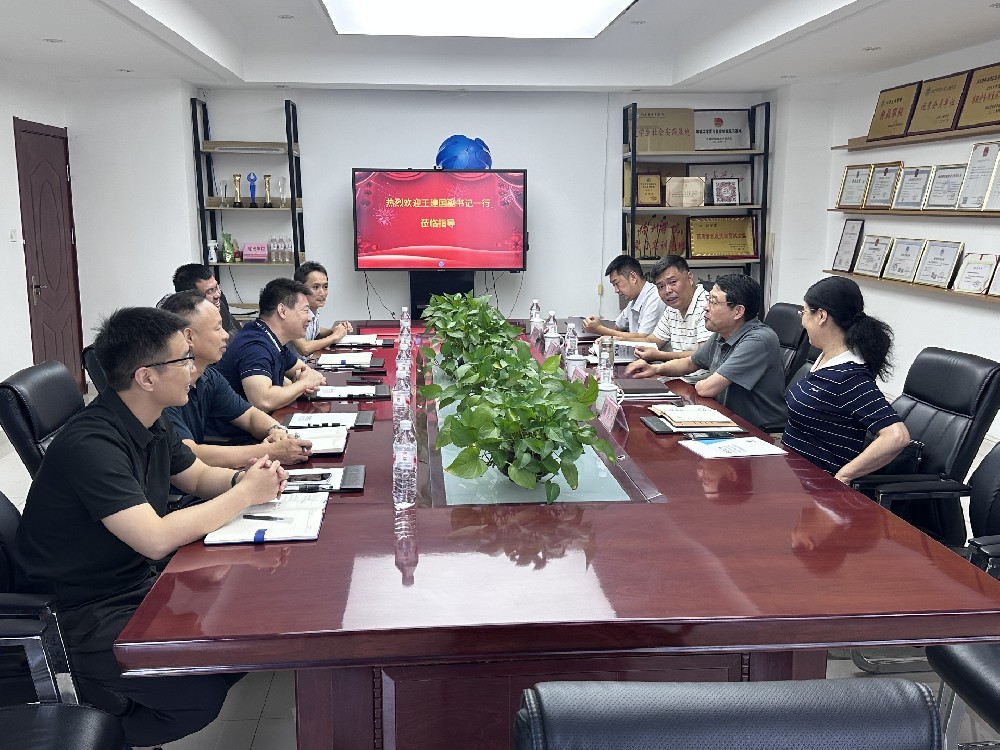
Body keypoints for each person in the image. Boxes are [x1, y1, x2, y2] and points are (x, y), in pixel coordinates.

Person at [12, 307, 287, 747]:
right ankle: (103, 735)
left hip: (132, 581)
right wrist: (244, 495)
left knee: (240, 642)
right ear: (146, 377)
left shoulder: (150, 419)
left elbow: (197, 476)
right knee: (200, 697)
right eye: (184, 360)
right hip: (82, 610)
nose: (194, 369)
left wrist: (246, 480)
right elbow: (155, 538)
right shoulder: (92, 443)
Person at [159, 290, 313, 466]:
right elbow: (186, 453)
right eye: (217, 328)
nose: (226, 335)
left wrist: (275, 430)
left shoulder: (209, 376)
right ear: (189, 337)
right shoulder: (164, 389)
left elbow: (249, 415)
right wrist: (269, 451)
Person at [781, 276, 909, 483]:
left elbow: (897, 436)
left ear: (821, 316)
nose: (802, 321)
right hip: (792, 473)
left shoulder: (849, 377)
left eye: (804, 313)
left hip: (815, 486)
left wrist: (844, 476)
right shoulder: (825, 359)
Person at [625, 274, 787, 431]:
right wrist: (655, 369)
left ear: (738, 312)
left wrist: (697, 384)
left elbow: (706, 389)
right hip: (728, 419)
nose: (706, 307)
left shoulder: (758, 340)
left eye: (713, 302)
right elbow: (690, 362)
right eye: (708, 300)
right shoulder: (723, 333)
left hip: (761, 432)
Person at [209, 278, 326, 440]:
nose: (310, 318)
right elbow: (263, 401)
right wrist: (302, 384)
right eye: (305, 311)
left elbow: (310, 374)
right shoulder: (254, 345)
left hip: (269, 429)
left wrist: (300, 383)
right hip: (236, 441)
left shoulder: (271, 339)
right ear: (282, 311)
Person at [632, 255, 711, 381]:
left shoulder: (707, 306)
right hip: (678, 379)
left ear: (690, 278)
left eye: (673, 282)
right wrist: (618, 343)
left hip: (700, 384)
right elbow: (653, 340)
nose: (667, 290)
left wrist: (660, 355)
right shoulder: (672, 308)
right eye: (661, 286)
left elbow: (703, 355)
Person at [582, 255, 665, 339]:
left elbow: (643, 338)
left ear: (633, 277)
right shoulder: (633, 302)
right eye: (614, 285)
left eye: (617, 283)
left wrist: (600, 329)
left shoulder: (655, 297)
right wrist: (596, 325)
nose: (616, 290)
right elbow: (617, 327)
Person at [289, 261, 354, 358]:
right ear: (300, 289)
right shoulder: (292, 313)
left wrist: (333, 330)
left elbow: (315, 332)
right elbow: (305, 348)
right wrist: (334, 336)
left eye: (325, 287)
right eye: (316, 287)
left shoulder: (312, 310)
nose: (322, 293)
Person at [172, 263, 240, 335]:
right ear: (191, 298)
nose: (218, 295)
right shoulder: (182, 330)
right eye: (209, 291)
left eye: (216, 287)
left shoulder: (219, 306)